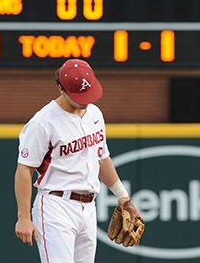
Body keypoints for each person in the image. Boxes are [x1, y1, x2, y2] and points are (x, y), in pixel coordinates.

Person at [14, 58, 140, 262]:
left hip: (89, 208)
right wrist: (23, 217)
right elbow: (24, 170)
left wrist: (122, 196)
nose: (85, 100)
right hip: (56, 205)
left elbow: (102, 157)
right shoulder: (42, 123)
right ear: (60, 88)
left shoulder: (95, 114)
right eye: (79, 95)